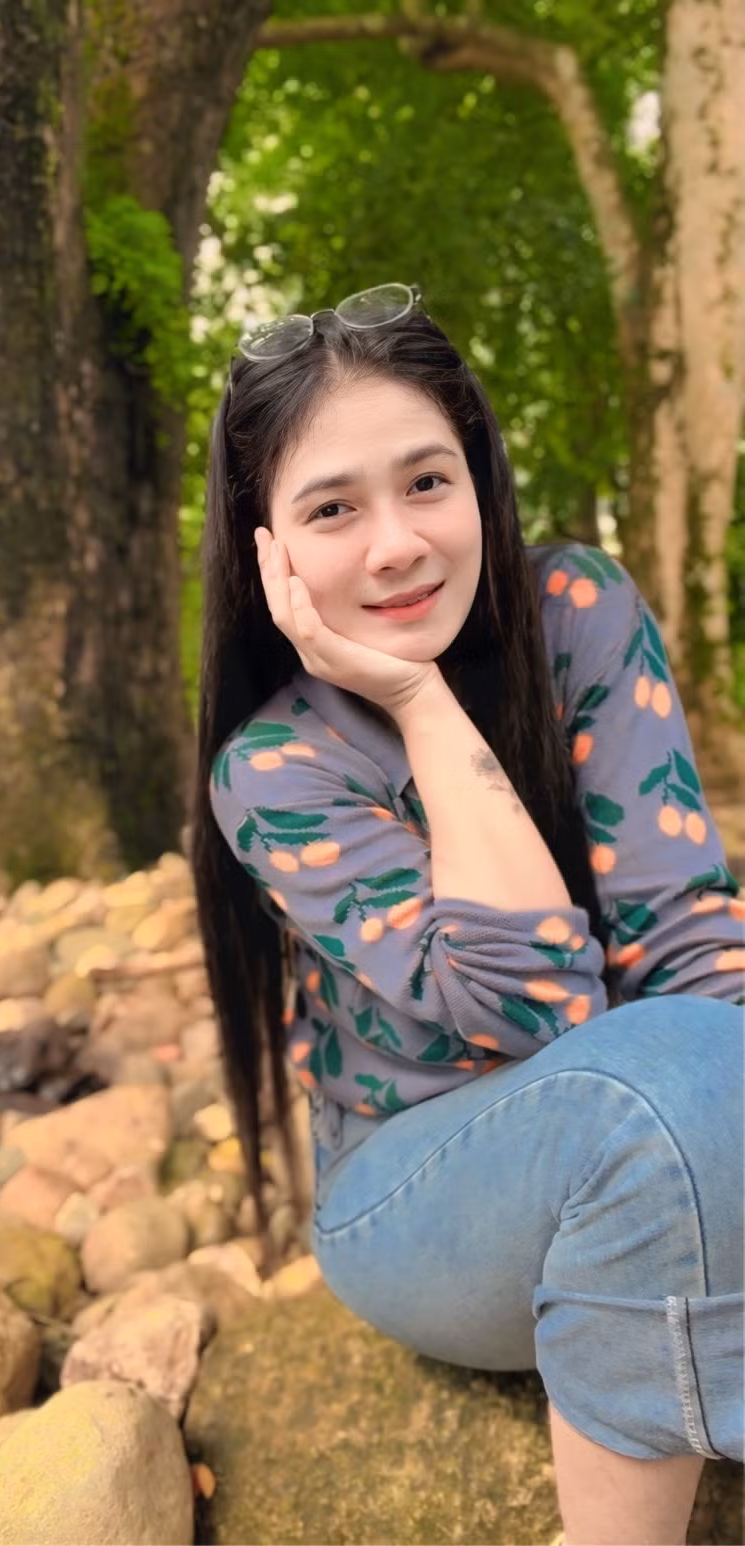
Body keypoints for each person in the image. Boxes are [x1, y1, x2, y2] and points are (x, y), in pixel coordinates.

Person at [189, 283, 744, 1546]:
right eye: (333, 508)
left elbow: (688, 943)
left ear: (481, 481)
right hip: (425, 1189)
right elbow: (533, 1004)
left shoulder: (577, 612)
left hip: (665, 1105)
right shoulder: (273, 770)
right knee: (666, 1084)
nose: (396, 543)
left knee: (700, 1072)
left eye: (427, 482)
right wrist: (419, 703)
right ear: (268, 551)